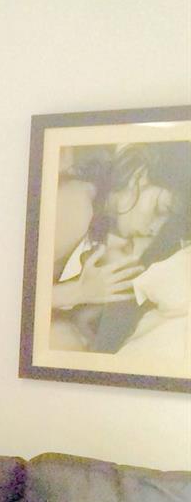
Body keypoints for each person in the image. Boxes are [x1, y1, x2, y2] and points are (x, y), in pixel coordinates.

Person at [48, 142, 189, 351]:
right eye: (160, 210)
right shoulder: (78, 208)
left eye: (165, 225)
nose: (154, 229)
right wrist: (79, 291)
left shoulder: (91, 209)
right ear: (139, 176)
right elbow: (19, 293)